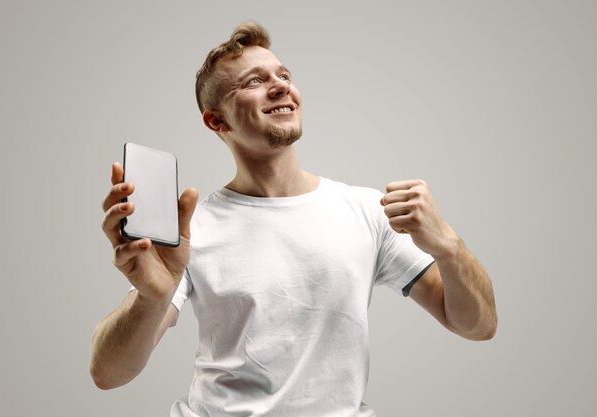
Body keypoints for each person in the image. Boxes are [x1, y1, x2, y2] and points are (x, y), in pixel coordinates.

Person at [91, 22, 497, 416]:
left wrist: (447, 245)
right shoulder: (191, 231)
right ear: (217, 120)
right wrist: (151, 297)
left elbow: (477, 326)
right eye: (253, 81)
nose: (281, 85)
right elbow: (108, 375)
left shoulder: (367, 210)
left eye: (283, 74)